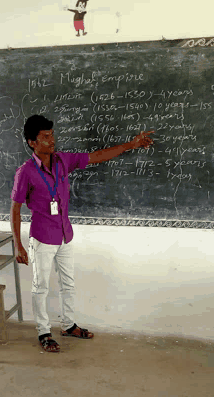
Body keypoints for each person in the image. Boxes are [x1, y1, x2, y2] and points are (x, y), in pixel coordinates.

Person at [10, 114, 154, 353]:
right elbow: (15, 209)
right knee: (41, 286)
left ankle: (68, 325)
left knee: (68, 283)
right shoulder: (25, 172)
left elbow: (96, 156)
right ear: (32, 142)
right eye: (45, 137)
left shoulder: (63, 161)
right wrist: (19, 244)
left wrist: (131, 144)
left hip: (65, 234)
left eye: (52, 134)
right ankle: (43, 332)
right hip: (42, 237)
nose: (51, 140)